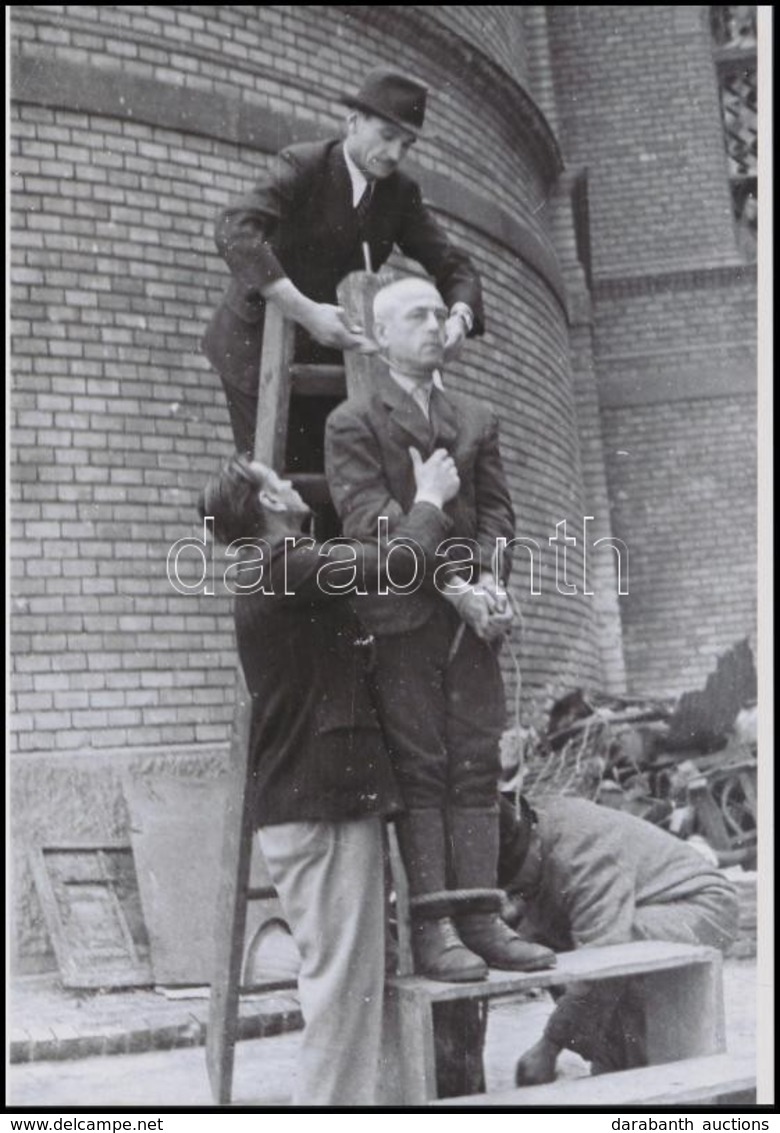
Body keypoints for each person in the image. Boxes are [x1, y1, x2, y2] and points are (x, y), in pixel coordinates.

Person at [199, 447, 459, 1105]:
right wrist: (428, 499)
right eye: (277, 481)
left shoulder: (276, 572)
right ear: (267, 503)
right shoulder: (284, 567)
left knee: (344, 982)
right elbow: (396, 565)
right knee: (342, 986)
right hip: (322, 803)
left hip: (314, 801)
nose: (289, 483)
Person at [324, 275, 556, 983]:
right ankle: (435, 925)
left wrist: (490, 579)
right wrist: (455, 588)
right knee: (421, 770)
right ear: (384, 335)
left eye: (437, 313)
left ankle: (482, 919)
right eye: (415, 316)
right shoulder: (353, 422)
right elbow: (371, 523)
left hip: (471, 632)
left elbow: (500, 518)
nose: (433, 325)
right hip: (404, 627)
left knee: (477, 765)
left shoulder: (477, 418)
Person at [203, 65, 484, 456]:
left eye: (406, 145)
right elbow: (235, 229)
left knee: (338, 484)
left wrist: (460, 317)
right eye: (387, 137)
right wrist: (303, 310)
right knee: (271, 490)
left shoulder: (400, 195)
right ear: (353, 121)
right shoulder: (303, 166)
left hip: (333, 358)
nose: (393, 155)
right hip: (255, 350)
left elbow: (456, 265)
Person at [497, 794, 740, 1084]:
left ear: (534, 842)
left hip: (700, 905)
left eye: (521, 885)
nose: (518, 895)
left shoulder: (582, 852)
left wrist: (549, 1047)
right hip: (647, 904)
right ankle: (618, 1064)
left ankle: (647, 1079)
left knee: (619, 954)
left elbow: (604, 963)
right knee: (545, 940)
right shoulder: (535, 828)